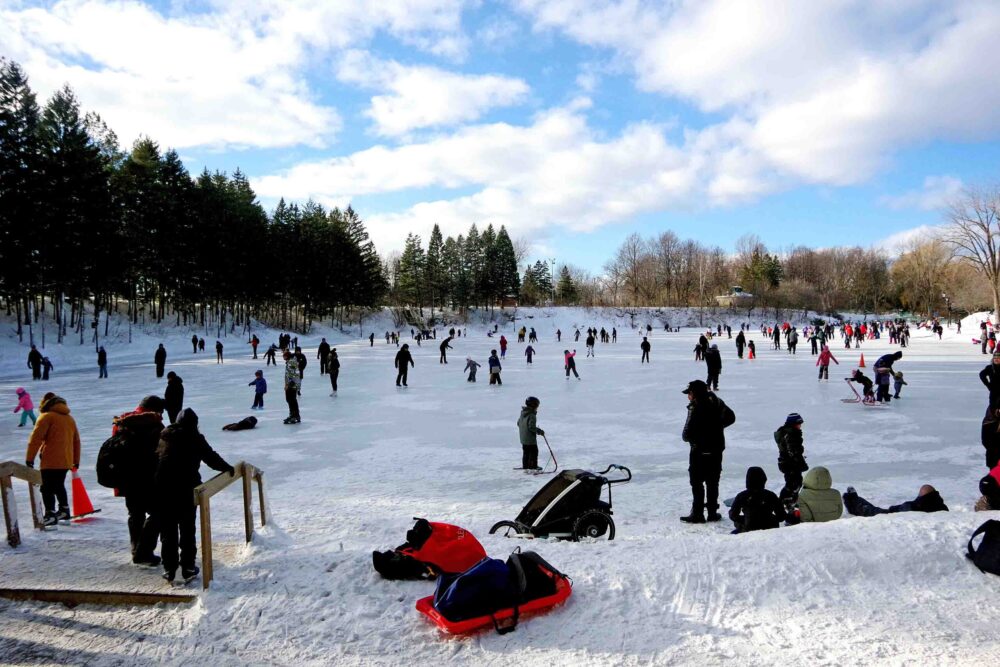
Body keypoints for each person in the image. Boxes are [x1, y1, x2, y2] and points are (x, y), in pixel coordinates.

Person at [155, 408, 233, 583]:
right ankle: (188, 567)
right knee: (187, 529)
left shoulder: (165, 435)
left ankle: (169, 568)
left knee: (168, 530)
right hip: (187, 489)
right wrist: (227, 467)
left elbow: (157, 460)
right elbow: (210, 458)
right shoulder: (195, 438)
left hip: (164, 489)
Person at [115, 396, 166, 566]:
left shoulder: (123, 422)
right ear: (154, 410)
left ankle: (136, 549)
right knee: (158, 512)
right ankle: (144, 552)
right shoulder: (155, 425)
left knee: (135, 514)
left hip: (127, 478)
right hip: (149, 477)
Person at [680, 380, 735, 523]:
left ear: (694, 393)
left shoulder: (695, 407)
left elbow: (686, 435)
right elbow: (731, 417)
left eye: (689, 394)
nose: (688, 397)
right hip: (716, 449)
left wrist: (698, 437)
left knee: (697, 482)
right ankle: (712, 512)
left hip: (698, 451)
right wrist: (717, 428)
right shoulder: (716, 402)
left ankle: (698, 514)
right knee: (713, 481)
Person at [25, 392, 81, 526]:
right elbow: (76, 441)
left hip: (50, 460)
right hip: (66, 460)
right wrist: (76, 460)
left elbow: (35, 439)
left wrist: (29, 458)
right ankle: (64, 510)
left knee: (46, 487)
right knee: (58, 485)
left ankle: (50, 514)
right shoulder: (69, 418)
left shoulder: (46, 417)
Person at [729, 467, 785, 534]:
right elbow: (782, 516)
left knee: (737, 523)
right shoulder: (771, 495)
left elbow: (733, 515)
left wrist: (745, 518)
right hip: (770, 527)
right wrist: (771, 518)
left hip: (749, 527)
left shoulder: (741, 496)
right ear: (764, 480)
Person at [843, 484, 948, 517]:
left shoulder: (914, 506)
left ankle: (853, 501)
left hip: (893, 515)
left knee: (873, 511)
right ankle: (855, 499)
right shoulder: (942, 507)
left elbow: (894, 510)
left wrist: (892, 509)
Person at [774, 413, 808, 506]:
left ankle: (790, 501)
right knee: (793, 484)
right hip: (791, 464)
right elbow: (793, 451)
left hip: (786, 463)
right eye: (798, 423)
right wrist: (800, 462)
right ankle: (784, 502)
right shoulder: (791, 433)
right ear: (793, 423)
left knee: (793, 483)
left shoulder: (787, 432)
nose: (800, 426)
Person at [517, 397, 545, 471]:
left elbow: (518, 423)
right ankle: (533, 467)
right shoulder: (532, 415)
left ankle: (525, 466)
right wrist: (539, 431)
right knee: (534, 452)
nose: (537, 408)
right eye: (537, 406)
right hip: (530, 439)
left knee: (526, 452)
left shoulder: (523, 412)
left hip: (523, 438)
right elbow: (531, 427)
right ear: (534, 405)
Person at [281, 350, 301, 424]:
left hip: (292, 384)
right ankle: (295, 415)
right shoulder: (291, 361)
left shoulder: (291, 362)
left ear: (287, 356)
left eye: (284, 355)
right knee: (291, 400)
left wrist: (288, 384)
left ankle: (293, 415)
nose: (283, 357)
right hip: (293, 383)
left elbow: (292, 374)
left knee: (291, 400)